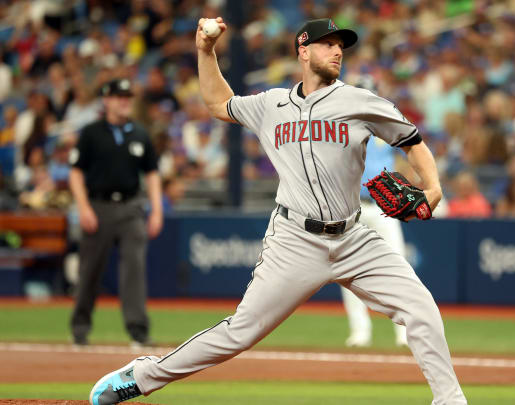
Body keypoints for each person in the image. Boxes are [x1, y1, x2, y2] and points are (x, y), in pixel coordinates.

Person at [88, 17, 467, 405]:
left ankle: (450, 400)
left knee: (421, 308)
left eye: (341, 45)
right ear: (303, 51)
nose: (337, 51)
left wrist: (433, 184)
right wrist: (206, 51)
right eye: (327, 44)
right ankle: (142, 375)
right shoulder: (271, 105)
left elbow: (412, 139)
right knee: (240, 332)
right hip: (295, 239)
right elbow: (219, 103)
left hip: (354, 238)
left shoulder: (359, 100)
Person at [69, 78, 163, 347]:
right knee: (90, 270)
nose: (124, 101)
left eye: (128, 97)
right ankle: (80, 328)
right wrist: (83, 207)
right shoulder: (91, 132)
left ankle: (138, 331)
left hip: (132, 207)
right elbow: (76, 173)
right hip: (98, 207)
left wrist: (157, 210)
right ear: (106, 100)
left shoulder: (140, 133)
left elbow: (152, 173)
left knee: (134, 268)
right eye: (119, 97)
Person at [342, 128, 408, 348]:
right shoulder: (347, 126)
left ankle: (404, 333)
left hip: (384, 204)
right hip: (353, 205)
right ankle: (360, 332)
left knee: (398, 268)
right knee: (348, 270)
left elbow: (410, 152)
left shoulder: (385, 125)